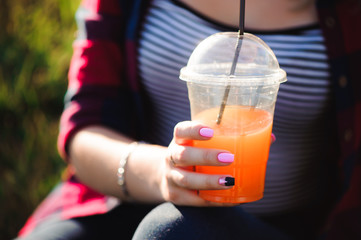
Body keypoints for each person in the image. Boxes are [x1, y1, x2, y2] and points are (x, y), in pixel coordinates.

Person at [17, 0, 361, 239]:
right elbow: (84, 127)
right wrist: (164, 174)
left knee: (173, 230)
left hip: (287, 228)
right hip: (129, 198)